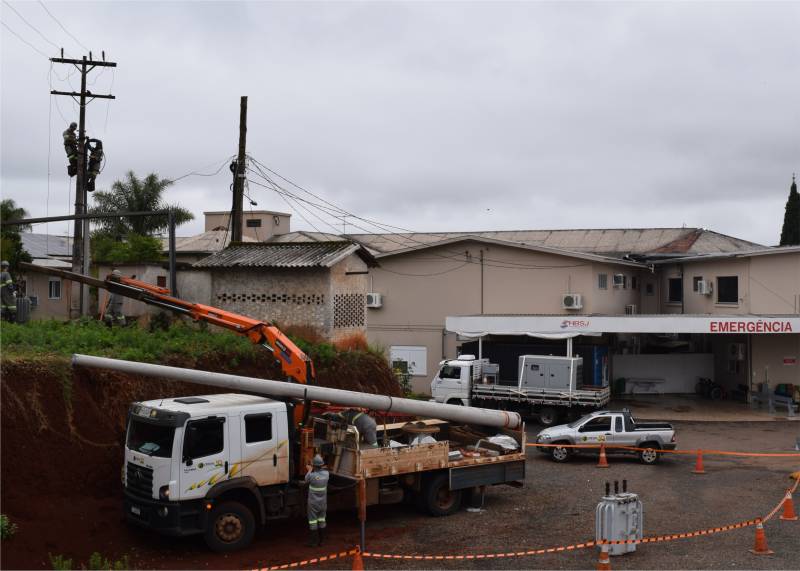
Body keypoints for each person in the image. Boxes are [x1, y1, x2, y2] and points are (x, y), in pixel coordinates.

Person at [304, 454, 329, 547]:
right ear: (322, 465)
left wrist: (309, 469)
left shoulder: (311, 476)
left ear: (314, 466)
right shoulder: (326, 475)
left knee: (313, 521)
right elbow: (323, 471)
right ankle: (322, 541)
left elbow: (306, 480)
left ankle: (313, 542)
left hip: (313, 503)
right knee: (322, 520)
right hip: (322, 503)